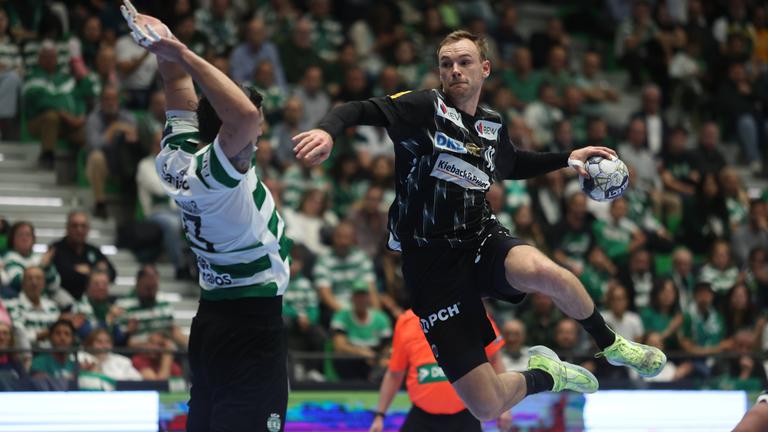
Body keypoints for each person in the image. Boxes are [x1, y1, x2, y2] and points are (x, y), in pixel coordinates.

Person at [294, 30, 666, 422]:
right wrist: (327, 130)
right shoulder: (423, 108)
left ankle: (610, 344)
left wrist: (566, 157)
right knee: (486, 405)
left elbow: (512, 163)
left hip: (479, 238)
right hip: (430, 266)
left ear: (484, 68)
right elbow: (358, 109)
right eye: (446, 64)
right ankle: (548, 374)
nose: (455, 70)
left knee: (546, 272)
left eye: (464, 61)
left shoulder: (491, 124)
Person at [120, 3, 291, 430]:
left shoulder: (176, 159)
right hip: (252, 322)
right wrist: (180, 51)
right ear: (230, 134)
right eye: (255, 132)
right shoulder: (218, 175)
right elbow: (244, 115)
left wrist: (162, 41)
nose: (258, 136)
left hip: (212, 317)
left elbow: (175, 82)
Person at [369, 308, 508, 432]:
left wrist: (504, 408)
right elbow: (395, 373)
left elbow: (495, 360)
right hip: (422, 417)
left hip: (466, 415)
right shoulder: (406, 321)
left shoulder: (471, 310)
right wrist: (379, 416)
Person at [51, 211, 116, 301]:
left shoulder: (93, 250)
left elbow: (112, 273)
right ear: (67, 228)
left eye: (83, 226)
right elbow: (64, 276)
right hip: (63, 300)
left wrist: (87, 271)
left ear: (88, 229)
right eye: (75, 226)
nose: (79, 230)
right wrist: (94, 271)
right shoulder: (56, 249)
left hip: (92, 300)